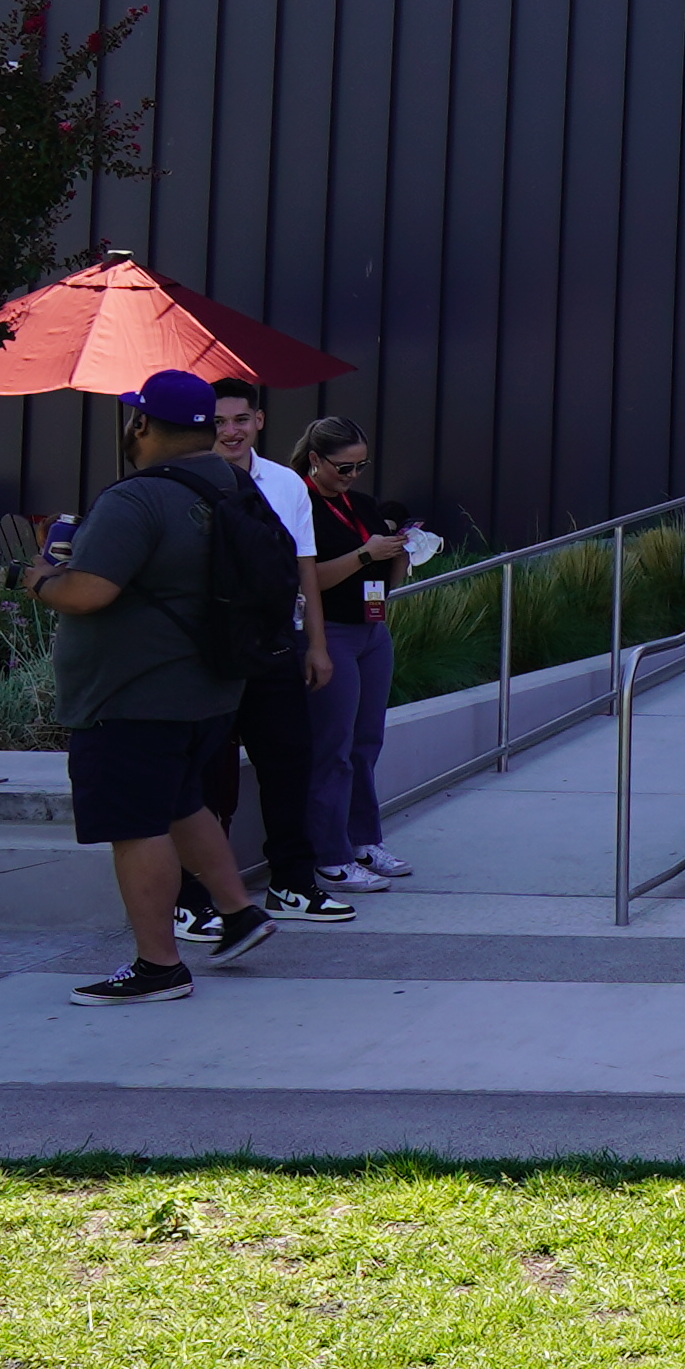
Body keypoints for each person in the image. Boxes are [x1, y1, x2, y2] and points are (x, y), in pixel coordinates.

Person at [33, 370, 288, 1002]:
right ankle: (239, 911)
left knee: (135, 824)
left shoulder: (136, 499)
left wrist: (33, 577)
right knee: (179, 803)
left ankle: (159, 966)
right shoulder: (232, 484)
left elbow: (88, 592)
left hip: (131, 695)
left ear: (141, 423)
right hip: (207, 689)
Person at [178, 378, 349, 936]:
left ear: (259, 420)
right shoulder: (184, 477)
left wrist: (317, 646)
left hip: (275, 642)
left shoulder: (285, 484)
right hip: (204, 647)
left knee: (287, 763)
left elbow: (305, 568)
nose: (229, 431)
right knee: (199, 773)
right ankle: (191, 898)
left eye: (240, 419)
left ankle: (292, 884)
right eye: (218, 421)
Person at [294, 417, 416, 890]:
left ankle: (364, 838)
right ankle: (329, 853)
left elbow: (388, 581)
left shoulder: (360, 504)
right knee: (333, 745)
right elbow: (308, 578)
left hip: (371, 625)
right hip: (329, 631)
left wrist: (400, 551)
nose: (352, 476)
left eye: (361, 467)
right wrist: (366, 553)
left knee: (367, 740)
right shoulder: (299, 504)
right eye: (343, 468)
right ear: (315, 461)